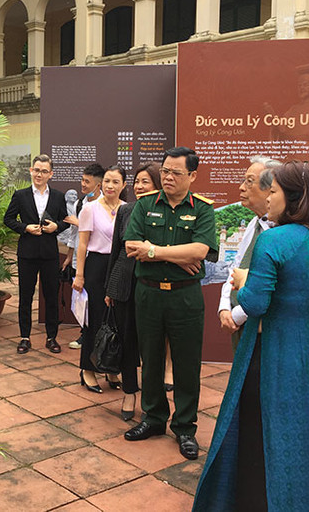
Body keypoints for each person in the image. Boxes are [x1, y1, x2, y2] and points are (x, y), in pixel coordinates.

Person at [193, 161, 309, 512]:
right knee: (306, 436)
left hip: (271, 355)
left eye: (274, 191)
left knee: (260, 435)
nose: (268, 199)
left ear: (294, 198)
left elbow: (254, 303)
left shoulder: (274, 239)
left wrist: (244, 281)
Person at [122, 147, 217, 461]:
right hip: (148, 293)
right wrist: (177, 255)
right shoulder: (145, 204)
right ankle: (153, 418)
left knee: (186, 363)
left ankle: (185, 427)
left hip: (185, 296)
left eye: (176, 172)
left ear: (192, 175)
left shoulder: (202, 209)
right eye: (165, 171)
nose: (168, 177)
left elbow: (199, 251)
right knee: (150, 358)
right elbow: (131, 245)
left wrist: (153, 251)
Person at [104, 163, 161, 419]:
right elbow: (115, 251)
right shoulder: (125, 210)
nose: (139, 186)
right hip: (124, 284)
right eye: (137, 181)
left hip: (153, 286)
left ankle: (152, 400)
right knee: (126, 342)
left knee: (151, 346)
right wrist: (110, 287)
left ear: (158, 184)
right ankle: (129, 392)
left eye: (145, 181)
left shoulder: (165, 213)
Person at [4, 154, 70, 354]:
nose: (39, 174)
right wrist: (25, 228)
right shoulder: (20, 195)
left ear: (51, 174)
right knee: (25, 296)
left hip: (50, 253)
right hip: (27, 253)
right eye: (36, 170)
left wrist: (56, 227)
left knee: (51, 296)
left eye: (44, 171)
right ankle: (25, 337)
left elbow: (65, 220)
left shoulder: (58, 196)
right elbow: (8, 219)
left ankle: (52, 337)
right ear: (31, 171)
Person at [72, 166, 127, 392]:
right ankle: (88, 369)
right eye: (107, 181)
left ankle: (112, 369)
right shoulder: (90, 209)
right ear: (101, 184)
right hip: (96, 267)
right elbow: (82, 244)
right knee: (94, 320)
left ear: (124, 185)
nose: (110, 186)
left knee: (117, 320)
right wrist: (79, 275)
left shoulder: (127, 209)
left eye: (115, 182)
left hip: (119, 267)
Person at [218, 156, 282, 350]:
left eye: (249, 182)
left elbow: (270, 287)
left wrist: (236, 316)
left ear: (270, 189)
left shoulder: (282, 233)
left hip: (266, 326)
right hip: (240, 323)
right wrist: (224, 307)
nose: (241, 188)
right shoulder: (254, 224)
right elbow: (236, 266)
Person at [63, 163, 105, 349]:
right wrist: (69, 256)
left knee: (96, 300)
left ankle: (99, 336)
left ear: (98, 185)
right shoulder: (80, 203)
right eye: (82, 180)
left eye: (87, 182)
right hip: (79, 259)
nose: (83, 184)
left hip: (96, 260)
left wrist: (79, 222)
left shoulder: (105, 204)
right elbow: (74, 235)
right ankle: (85, 334)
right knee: (82, 299)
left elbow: (102, 232)